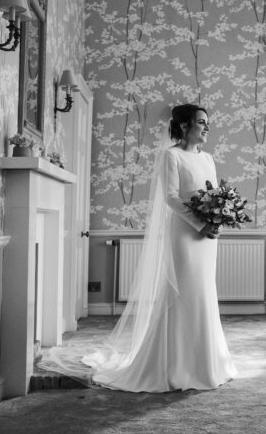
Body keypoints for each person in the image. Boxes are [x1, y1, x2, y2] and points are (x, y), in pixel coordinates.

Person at [82, 104, 238, 392]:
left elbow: (215, 194)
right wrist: (199, 223)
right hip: (185, 234)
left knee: (204, 292)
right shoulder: (171, 156)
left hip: (207, 238)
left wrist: (218, 218)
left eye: (207, 123)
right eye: (201, 122)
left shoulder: (208, 158)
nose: (207, 127)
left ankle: (206, 362)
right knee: (184, 293)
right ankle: (174, 365)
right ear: (184, 126)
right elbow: (170, 197)